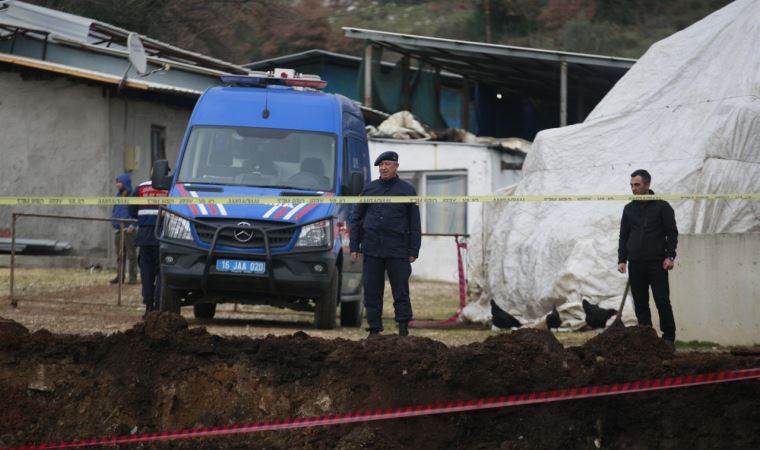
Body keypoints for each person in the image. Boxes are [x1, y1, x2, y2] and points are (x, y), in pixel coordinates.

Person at [349, 151, 422, 338]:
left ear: (396, 166)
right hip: (372, 248)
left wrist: (414, 249)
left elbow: (414, 222)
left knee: (400, 290)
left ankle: (403, 329)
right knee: (372, 291)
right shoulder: (369, 189)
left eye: (387, 164)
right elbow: (356, 218)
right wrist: (354, 246)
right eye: (381, 165)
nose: (383, 168)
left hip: (398, 249)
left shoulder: (407, 190)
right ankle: (374, 330)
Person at [618, 169, 679, 350]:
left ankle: (668, 339)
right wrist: (622, 259)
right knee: (641, 303)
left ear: (647, 185)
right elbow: (624, 235)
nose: (633, 189)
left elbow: (672, 233)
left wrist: (670, 256)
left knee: (662, 301)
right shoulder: (628, 209)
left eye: (637, 185)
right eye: (631, 185)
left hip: (657, 263)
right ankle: (647, 340)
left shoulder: (662, 206)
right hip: (636, 264)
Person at [129, 180, 168, 317]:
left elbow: (132, 210)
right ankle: (158, 307)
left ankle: (148, 307)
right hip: (162, 237)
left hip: (144, 237)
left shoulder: (141, 187)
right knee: (161, 274)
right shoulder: (170, 187)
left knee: (146, 275)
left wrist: (143, 218)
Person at [111, 173, 137, 284]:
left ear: (125, 183)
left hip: (129, 231)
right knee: (120, 256)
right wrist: (114, 222)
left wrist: (133, 226)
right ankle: (120, 277)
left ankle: (132, 278)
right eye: (117, 182)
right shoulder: (117, 197)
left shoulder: (133, 197)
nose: (117, 185)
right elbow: (114, 211)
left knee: (131, 255)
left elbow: (137, 213)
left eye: (119, 182)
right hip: (118, 231)